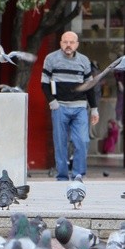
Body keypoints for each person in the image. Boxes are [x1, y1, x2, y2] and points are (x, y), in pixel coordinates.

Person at [41, 30, 99, 181]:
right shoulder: (51, 59)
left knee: (82, 140)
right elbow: (44, 83)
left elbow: (90, 86)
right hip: (59, 106)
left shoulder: (84, 61)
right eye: (65, 42)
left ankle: (78, 175)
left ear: (77, 44)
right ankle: (62, 176)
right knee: (60, 143)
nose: (68, 45)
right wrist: (51, 101)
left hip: (80, 107)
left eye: (71, 42)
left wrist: (94, 109)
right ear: (60, 43)